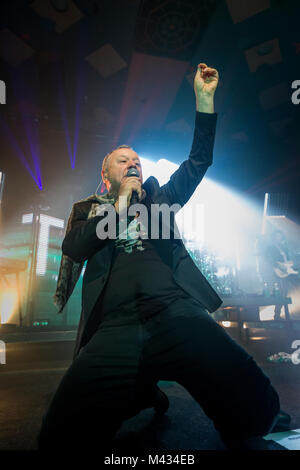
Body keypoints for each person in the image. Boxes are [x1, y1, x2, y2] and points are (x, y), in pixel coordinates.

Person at [38, 63, 280, 451]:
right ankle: (143, 391)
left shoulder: (160, 201)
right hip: (115, 328)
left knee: (257, 411)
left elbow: (198, 163)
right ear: (106, 175)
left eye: (137, 159)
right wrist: (118, 205)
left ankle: (142, 388)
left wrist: (204, 99)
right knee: (57, 438)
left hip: (176, 312)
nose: (133, 163)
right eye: (123, 160)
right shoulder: (90, 212)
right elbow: (75, 248)